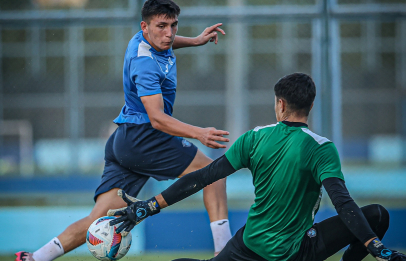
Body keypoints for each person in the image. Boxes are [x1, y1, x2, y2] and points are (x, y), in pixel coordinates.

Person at [15, 0, 232, 261]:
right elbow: (157, 119)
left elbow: (168, 40)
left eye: (173, 25)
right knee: (214, 174)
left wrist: (195, 40)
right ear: (145, 27)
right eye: (162, 26)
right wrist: (199, 133)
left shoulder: (141, 40)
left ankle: (35, 258)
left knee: (98, 220)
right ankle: (225, 253)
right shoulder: (145, 65)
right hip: (146, 139)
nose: (170, 33)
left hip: (124, 141)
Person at [108, 73, 406, 261]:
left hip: (248, 247)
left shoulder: (254, 138)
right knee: (377, 214)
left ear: (279, 104)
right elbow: (343, 203)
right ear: (310, 107)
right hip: (296, 251)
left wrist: (149, 205)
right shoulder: (322, 148)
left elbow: (204, 177)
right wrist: (374, 245)